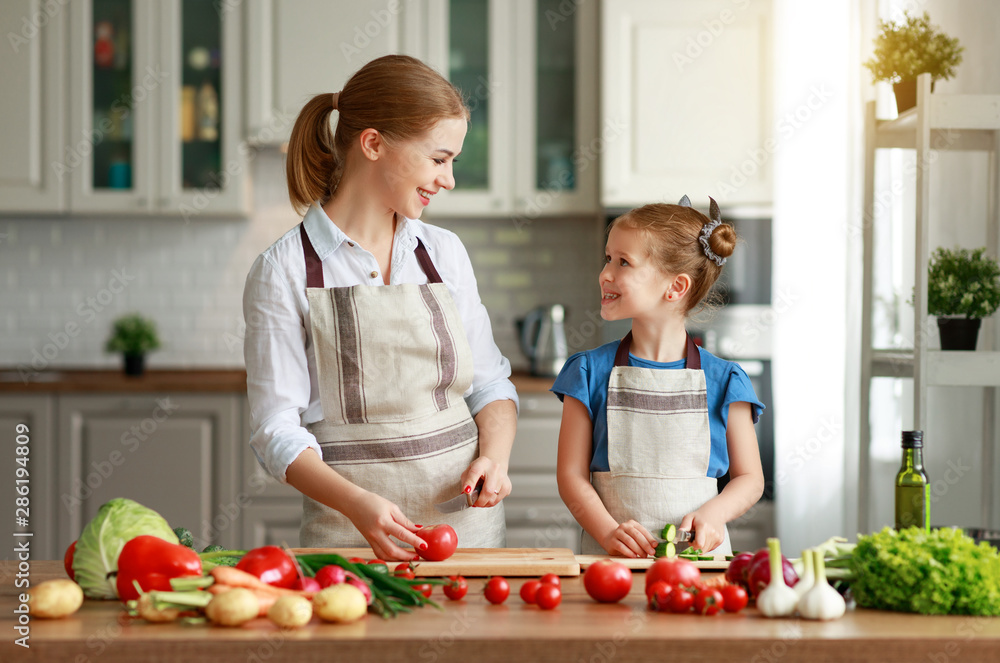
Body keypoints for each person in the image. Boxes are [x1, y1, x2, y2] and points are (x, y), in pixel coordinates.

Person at [243, 55, 518, 561]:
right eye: (439, 159)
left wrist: (495, 460)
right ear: (373, 144)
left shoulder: (444, 252)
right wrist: (357, 504)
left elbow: (491, 385)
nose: (449, 179)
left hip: (469, 538)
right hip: (350, 540)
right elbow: (274, 429)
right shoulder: (283, 269)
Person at [553, 196, 765, 557]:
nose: (605, 274)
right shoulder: (587, 372)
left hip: (697, 565)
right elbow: (570, 477)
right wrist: (607, 534)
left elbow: (750, 479)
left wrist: (714, 514)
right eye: (608, 259)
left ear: (676, 287)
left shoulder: (726, 380)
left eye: (623, 263)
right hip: (612, 563)